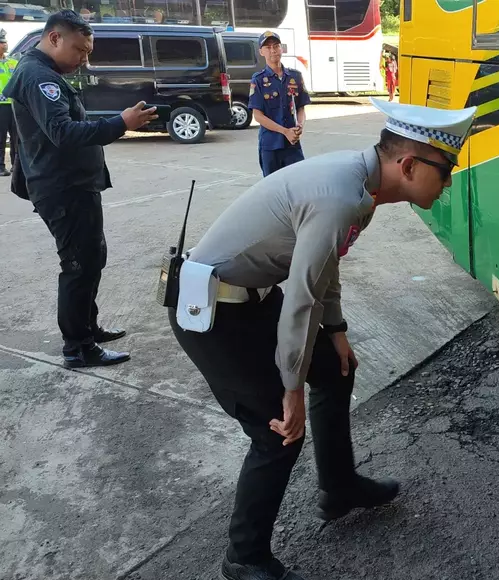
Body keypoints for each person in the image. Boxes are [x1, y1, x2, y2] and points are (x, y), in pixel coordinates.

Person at [167, 97, 477, 580]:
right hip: (212, 312)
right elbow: (303, 297)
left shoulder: (362, 184)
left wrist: (336, 331)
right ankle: (244, 558)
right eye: (446, 168)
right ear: (409, 165)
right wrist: (290, 386)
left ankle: (339, 487)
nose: (450, 180)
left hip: (251, 295)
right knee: (279, 431)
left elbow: (321, 268)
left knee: (335, 369)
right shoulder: (343, 196)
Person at [4, 10, 157, 368]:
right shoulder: (38, 76)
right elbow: (63, 133)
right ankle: (78, 347)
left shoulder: (46, 73)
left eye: (88, 51)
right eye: (79, 50)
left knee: (91, 259)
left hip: (74, 187)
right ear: (55, 38)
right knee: (77, 265)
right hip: (63, 190)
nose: (84, 59)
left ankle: (88, 328)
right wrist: (121, 123)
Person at [249, 30, 309, 177]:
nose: (273, 50)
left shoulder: (295, 76)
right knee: (272, 190)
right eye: (268, 47)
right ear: (261, 52)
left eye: (276, 46)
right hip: (270, 146)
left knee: (298, 185)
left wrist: (300, 125)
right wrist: (285, 131)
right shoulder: (258, 80)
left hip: (292, 145)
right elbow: (258, 116)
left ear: (281, 48)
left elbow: (301, 107)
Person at [0, 28, 18, 176]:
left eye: (5, 42)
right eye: (1, 42)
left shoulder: (12, 62)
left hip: (14, 104)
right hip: (0, 106)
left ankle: (16, 165)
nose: (4, 45)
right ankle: (0, 167)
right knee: (0, 137)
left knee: (17, 137)